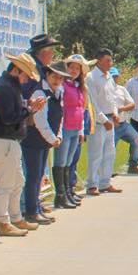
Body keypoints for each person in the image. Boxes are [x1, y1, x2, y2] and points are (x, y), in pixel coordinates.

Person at [0, 53, 41, 236]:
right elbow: (8, 117)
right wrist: (28, 110)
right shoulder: (5, 88)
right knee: (5, 184)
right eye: (25, 75)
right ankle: (3, 222)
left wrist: (27, 106)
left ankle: (16, 217)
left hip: (9, 141)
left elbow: (12, 111)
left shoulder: (10, 86)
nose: (26, 80)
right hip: (3, 141)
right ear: (16, 70)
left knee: (18, 181)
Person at [21, 62, 66, 225]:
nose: (57, 80)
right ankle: (31, 212)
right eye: (54, 76)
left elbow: (60, 117)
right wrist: (53, 139)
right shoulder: (40, 92)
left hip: (46, 141)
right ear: (47, 75)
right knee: (33, 176)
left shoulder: (59, 92)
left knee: (39, 175)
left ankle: (37, 208)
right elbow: (40, 120)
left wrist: (58, 135)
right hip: (33, 140)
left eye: (60, 78)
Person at [85, 51, 122, 196]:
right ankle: (92, 184)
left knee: (109, 152)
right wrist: (104, 120)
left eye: (111, 60)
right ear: (98, 61)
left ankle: (105, 182)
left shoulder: (109, 77)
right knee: (95, 153)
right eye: (107, 60)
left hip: (110, 119)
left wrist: (115, 113)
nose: (110, 63)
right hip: (99, 121)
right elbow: (92, 103)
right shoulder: (91, 77)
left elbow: (112, 98)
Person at [56, 56, 90, 209]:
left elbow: (81, 110)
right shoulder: (62, 86)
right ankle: (61, 195)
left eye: (77, 69)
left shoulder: (78, 87)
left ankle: (68, 191)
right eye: (72, 68)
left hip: (75, 128)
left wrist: (82, 130)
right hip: (64, 128)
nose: (74, 71)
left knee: (69, 162)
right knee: (61, 162)